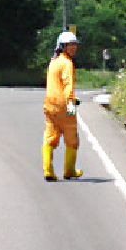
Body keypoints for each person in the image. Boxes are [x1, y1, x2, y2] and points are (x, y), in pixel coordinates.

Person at [42, 31, 83, 181]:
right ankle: (69, 170)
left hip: (50, 104)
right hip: (65, 105)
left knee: (50, 137)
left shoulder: (53, 62)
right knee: (72, 138)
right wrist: (72, 105)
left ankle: (48, 170)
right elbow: (68, 86)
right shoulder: (67, 63)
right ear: (62, 47)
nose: (73, 48)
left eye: (74, 45)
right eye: (70, 45)